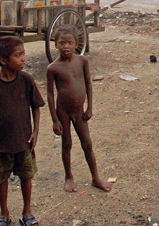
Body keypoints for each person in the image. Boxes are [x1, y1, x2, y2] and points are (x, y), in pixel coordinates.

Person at [0, 36, 44, 226]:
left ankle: (27, 211)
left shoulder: (26, 80)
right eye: (18, 55)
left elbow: (36, 107)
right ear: (4, 60)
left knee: (26, 176)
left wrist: (35, 132)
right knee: (2, 178)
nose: (24, 59)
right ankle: (4, 213)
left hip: (23, 140)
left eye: (23, 54)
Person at [47, 25, 111, 193]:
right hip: (63, 111)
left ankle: (95, 177)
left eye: (69, 43)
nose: (66, 46)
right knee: (66, 143)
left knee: (87, 143)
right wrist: (55, 119)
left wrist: (90, 107)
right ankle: (69, 176)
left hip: (79, 110)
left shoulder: (82, 61)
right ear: (55, 44)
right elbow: (50, 94)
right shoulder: (53, 67)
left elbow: (89, 83)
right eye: (62, 43)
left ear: (76, 44)